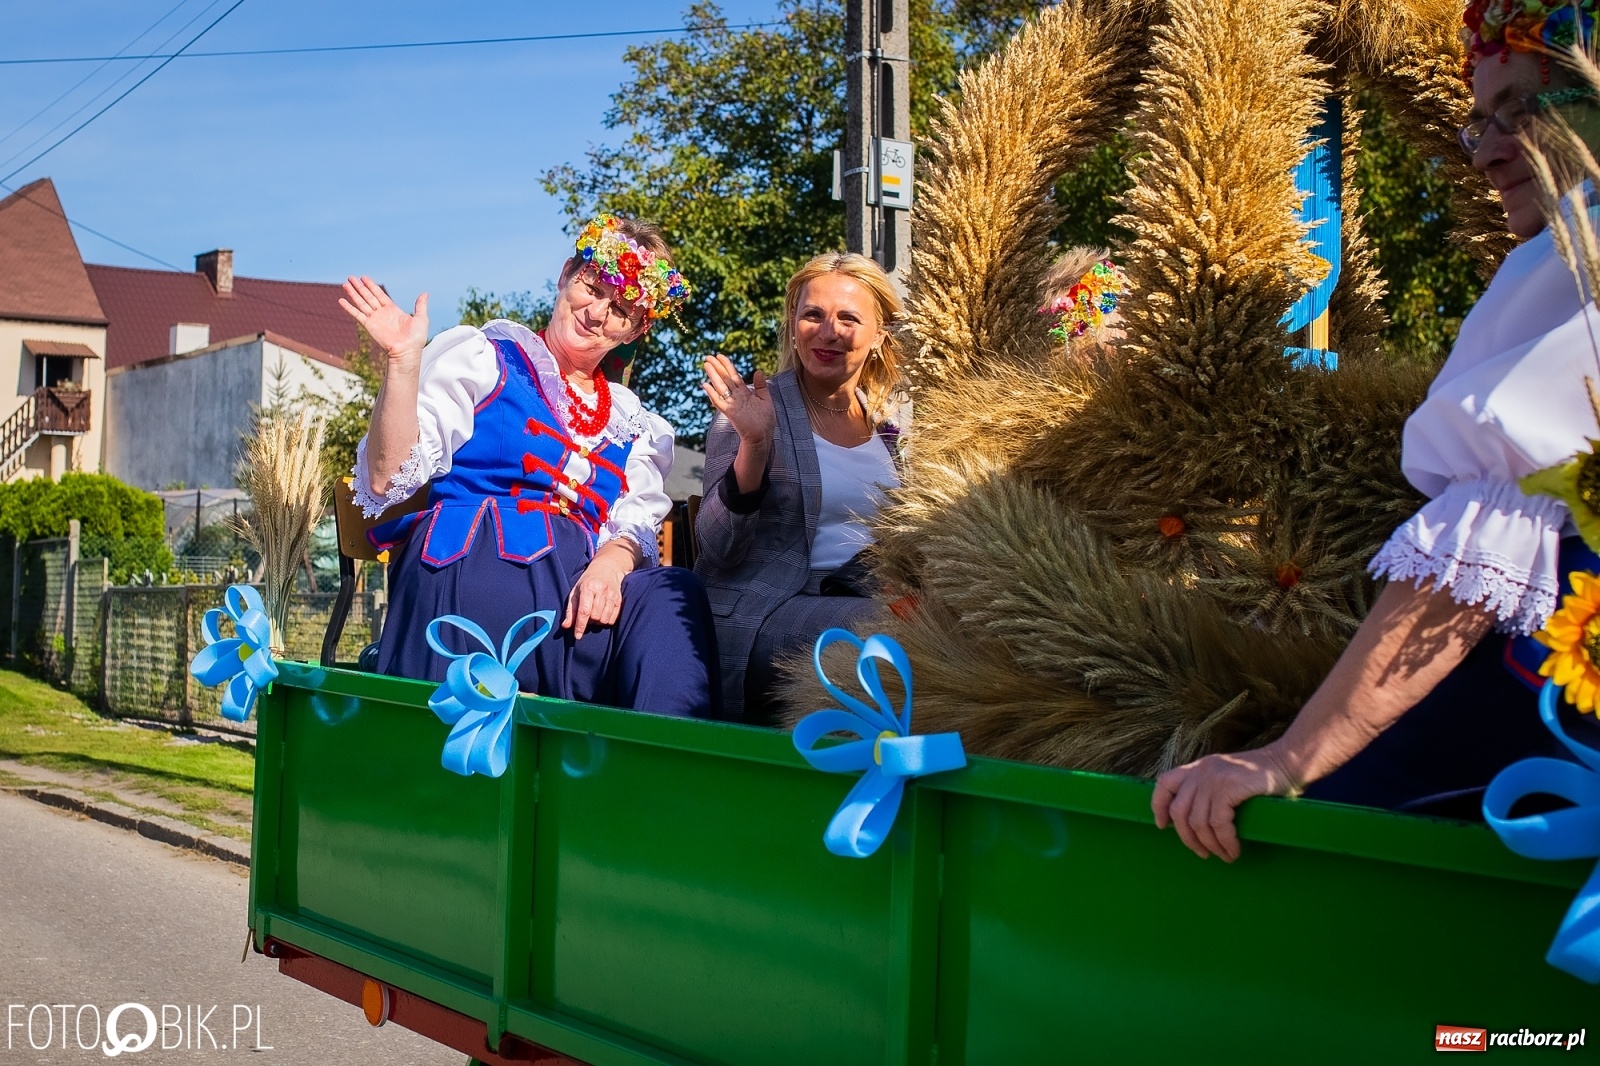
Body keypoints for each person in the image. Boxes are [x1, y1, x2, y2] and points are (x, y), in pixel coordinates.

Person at [1153, 0, 1600, 860]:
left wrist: (1289, 760)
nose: (1492, 151)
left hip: (1548, 728)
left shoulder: (1576, 252)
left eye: (1522, 110)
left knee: (1345, 832)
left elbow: (1472, 565)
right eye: (1481, 123)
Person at [340, 214, 720, 718]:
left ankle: (665, 771)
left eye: (623, 308)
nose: (598, 312)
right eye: (594, 286)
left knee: (675, 591)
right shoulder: (484, 359)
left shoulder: (634, 426)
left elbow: (634, 524)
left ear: (638, 328)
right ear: (567, 274)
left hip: (573, 615)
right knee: (493, 557)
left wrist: (611, 563)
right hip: (471, 576)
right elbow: (387, 475)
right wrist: (402, 364)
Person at [695, 253, 911, 722]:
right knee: (900, 642)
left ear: (879, 336)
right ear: (793, 325)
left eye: (848, 318)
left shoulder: (887, 428)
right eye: (812, 315)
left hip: (872, 598)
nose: (828, 331)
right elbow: (715, 549)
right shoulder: (754, 409)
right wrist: (755, 444)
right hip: (768, 611)